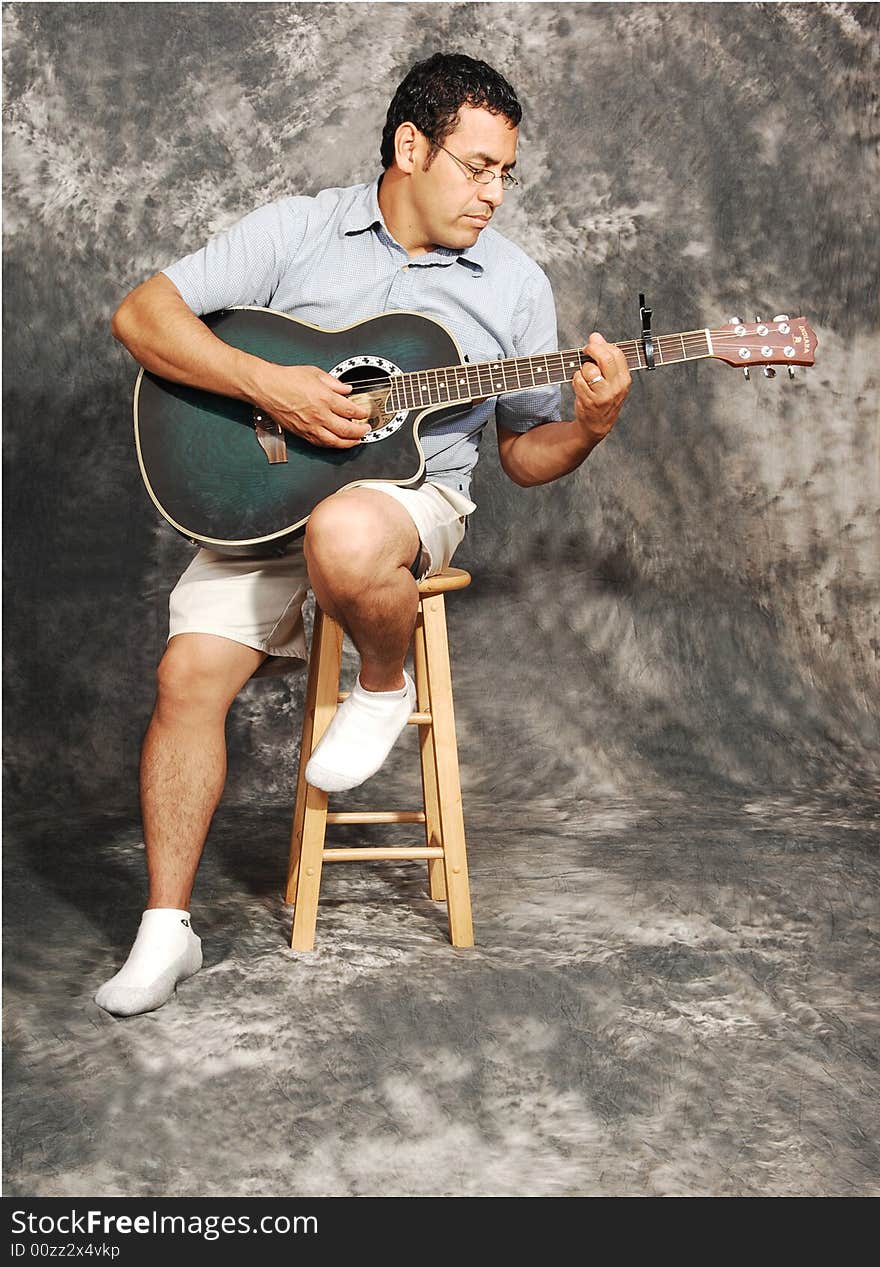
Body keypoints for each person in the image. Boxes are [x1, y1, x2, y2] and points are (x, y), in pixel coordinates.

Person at [96, 52, 631, 1017]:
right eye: (476, 166)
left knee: (347, 527)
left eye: (506, 172)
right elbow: (142, 315)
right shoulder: (300, 230)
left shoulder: (514, 287)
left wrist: (588, 425)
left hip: (411, 502)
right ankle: (166, 928)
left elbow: (523, 455)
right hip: (264, 499)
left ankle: (382, 685)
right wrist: (273, 386)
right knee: (186, 678)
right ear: (409, 146)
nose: (494, 193)